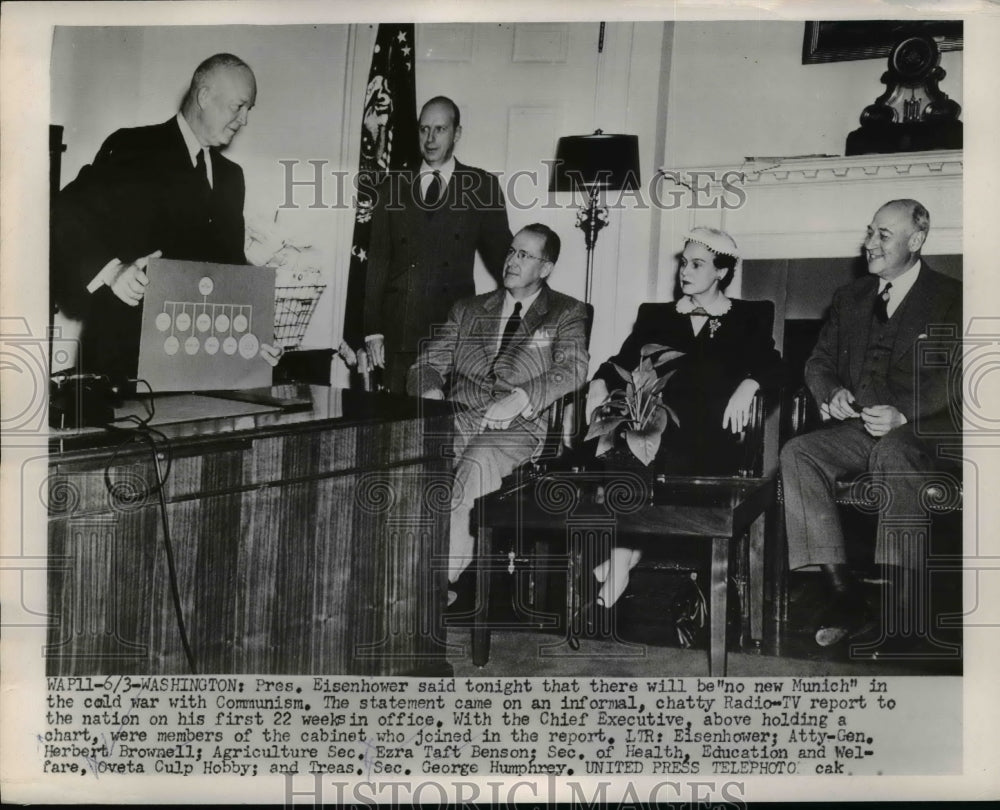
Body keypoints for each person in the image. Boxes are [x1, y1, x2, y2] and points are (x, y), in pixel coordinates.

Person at [780, 199, 961, 647]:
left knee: (893, 449)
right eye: (869, 232)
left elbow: (957, 375)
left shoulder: (951, 297)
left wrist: (904, 413)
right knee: (798, 452)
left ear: (916, 241)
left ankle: (897, 607)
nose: (869, 243)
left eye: (883, 235)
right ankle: (844, 595)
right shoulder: (850, 298)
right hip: (862, 429)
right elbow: (819, 361)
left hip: (927, 430)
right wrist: (831, 393)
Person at [584, 227, 783, 608]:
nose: (684, 271)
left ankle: (622, 558)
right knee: (628, 451)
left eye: (697, 264)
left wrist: (750, 384)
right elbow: (622, 361)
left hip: (716, 437)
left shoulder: (748, 316)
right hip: (657, 428)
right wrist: (598, 381)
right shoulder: (656, 315)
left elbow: (775, 365)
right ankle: (627, 557)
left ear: (721, 272)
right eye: (683, 263)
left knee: (640, 458)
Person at [52, 52, 278, 383]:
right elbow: (64, 212)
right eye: (238, 107)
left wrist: (254, 336)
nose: (244, 120)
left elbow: (227, 270)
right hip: (126, 368)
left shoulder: (232, 177)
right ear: (204, 96)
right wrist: (112, 270)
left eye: (249, 111)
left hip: (201, 372)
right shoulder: (133, 148)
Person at [407, 224, 589, 601]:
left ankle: (438, 584)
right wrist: (430, 390)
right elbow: (426, 364)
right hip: (460, 416)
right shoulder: (469, 309)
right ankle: (397, 569)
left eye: (525, 255)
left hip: (521, 426)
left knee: (478, 459)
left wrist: (521, 396)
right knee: (411, 457)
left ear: (546, 267)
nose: (512, 260)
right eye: (510, 251)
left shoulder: (567, 312)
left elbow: (572, 367)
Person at [365, 96, 512, 393]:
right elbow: (377, 262)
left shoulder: (481, 186)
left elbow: (505, 263)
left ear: (456, 133)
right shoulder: (392, 185)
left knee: (444, 427)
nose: (430, 139)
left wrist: (509, 320)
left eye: (440, 130)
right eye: (424, 129)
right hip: (400, 333)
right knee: (396, 427)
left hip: (453, 334)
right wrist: (372, 331)